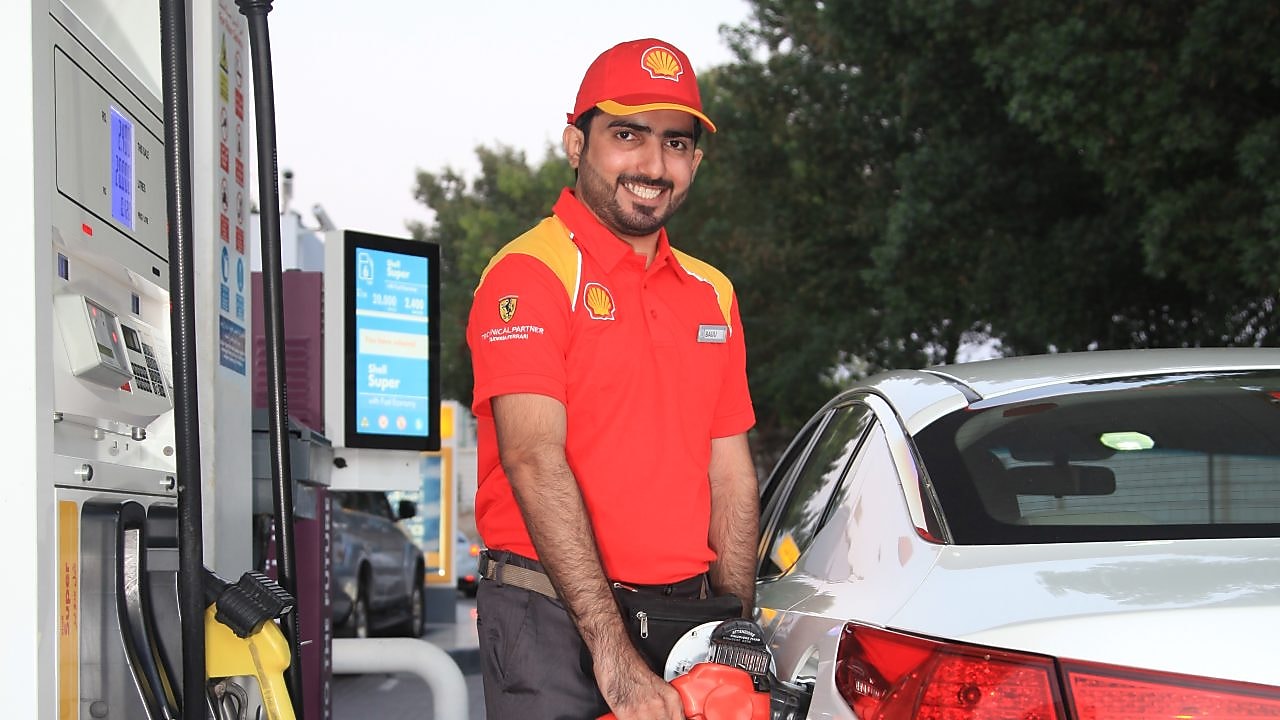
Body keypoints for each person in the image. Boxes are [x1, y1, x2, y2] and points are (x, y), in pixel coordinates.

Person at [466, 37, 759, 720]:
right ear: (577, 144)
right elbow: (533, 459)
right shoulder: (530, 273)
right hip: (551, 618)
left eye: (678, 144)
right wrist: (612, 651)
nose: (654, 165)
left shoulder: (712, 293)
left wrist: (733, 626)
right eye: (628, 135)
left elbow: (733, 476)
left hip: (686, 616)